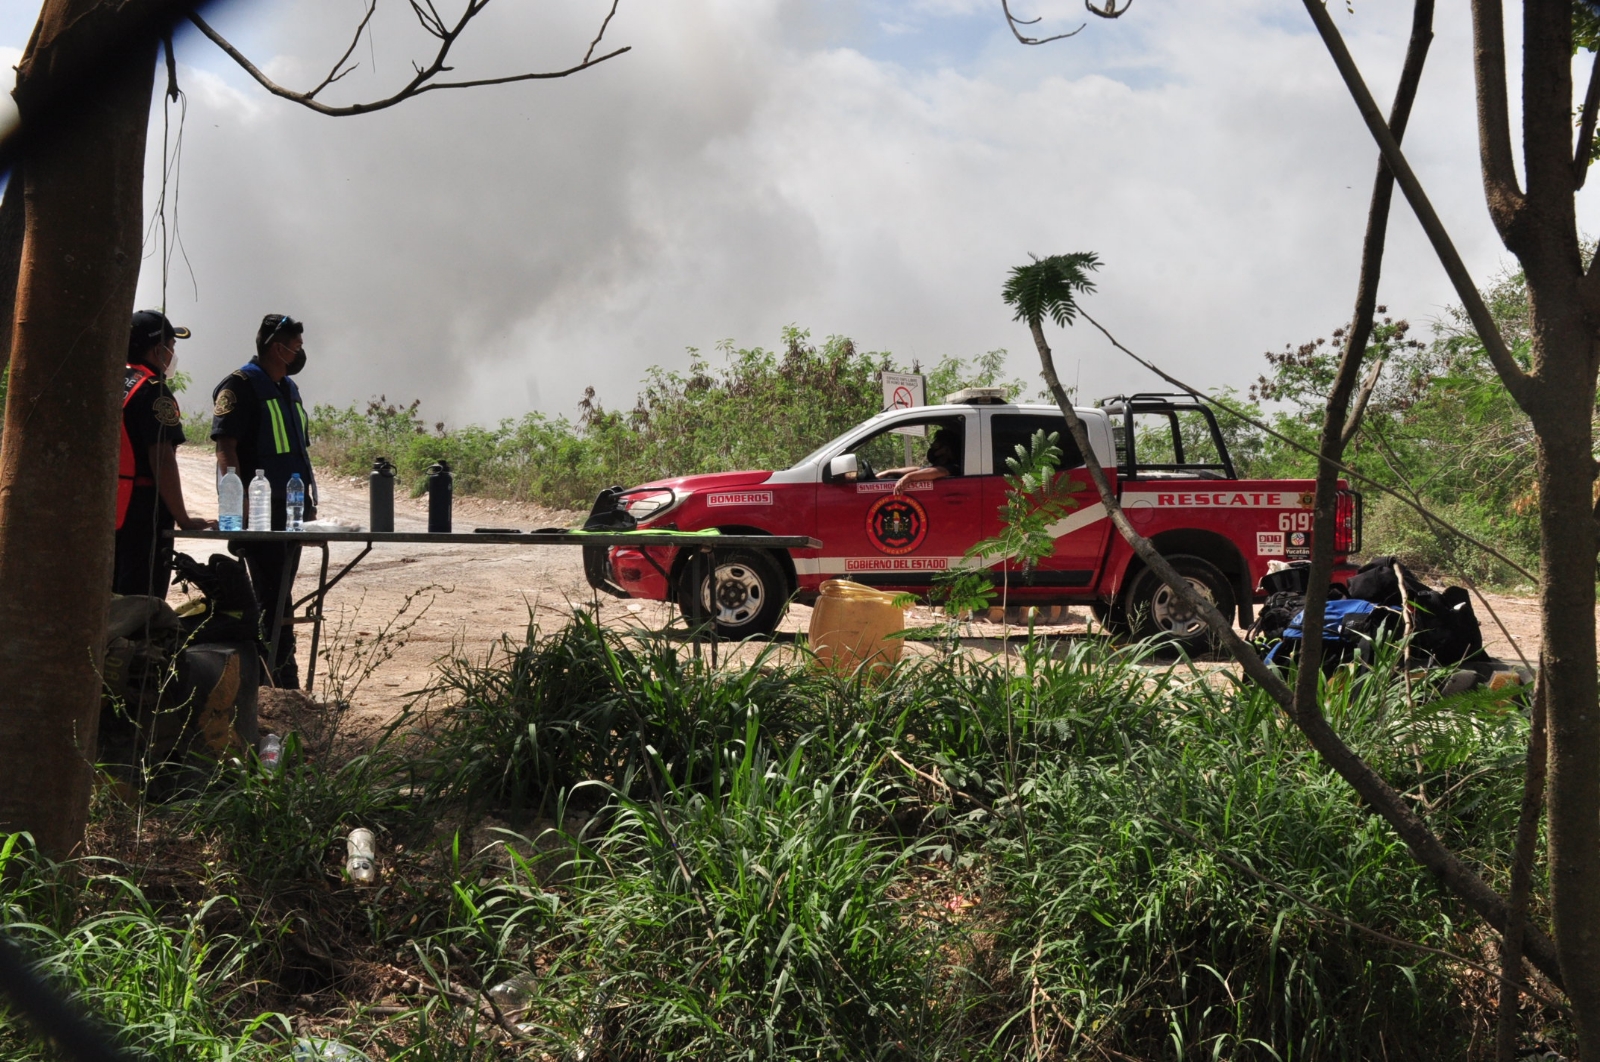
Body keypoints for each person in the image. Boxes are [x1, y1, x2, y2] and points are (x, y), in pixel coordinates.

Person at [210, 313, 318, 688]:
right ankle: (272, 679)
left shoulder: (288, 388)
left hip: (291, 510)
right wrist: (235, 511)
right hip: (258, 513)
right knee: (270, 595)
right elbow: (227, 450)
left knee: (280, 594)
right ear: (279, 348)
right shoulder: (240, 386)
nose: (300, 354)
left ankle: (280, 675)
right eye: (297, 348)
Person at [113, 310, 215, 598]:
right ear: (159, 350)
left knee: (110, 592)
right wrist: (183, 516)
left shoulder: (111, 383)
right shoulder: (154, 392)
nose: (172, 354)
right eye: (172, 346)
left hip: (108, 507)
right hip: (143, 510)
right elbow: (162, 458)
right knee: (141, 597)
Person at [882, 422, 963, 494]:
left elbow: (937, 472)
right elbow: (919, 469)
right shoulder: (939, 464)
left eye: (935, 448)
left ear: (946, 449)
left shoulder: (953, 467)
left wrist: (908, 478)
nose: (932, 451)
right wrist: (888, 472)